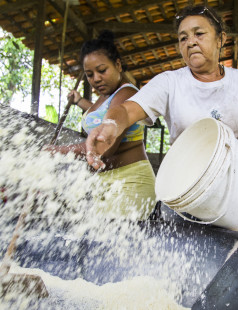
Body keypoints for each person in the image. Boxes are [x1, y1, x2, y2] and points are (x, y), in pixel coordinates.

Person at [84, 5, 238, 189]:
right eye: (183, 38)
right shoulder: (169, 82)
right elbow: (126, 110)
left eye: (199, 34)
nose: (191, 42)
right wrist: (111, 124)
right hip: (184, 185)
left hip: (234, 185)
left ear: (221, 39)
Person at [44, 30, 156, 220]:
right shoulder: (104, 97)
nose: (95, 79)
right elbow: (99, 116)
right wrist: (79, 101)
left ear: (118, 65)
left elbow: (105, 147)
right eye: (89, 74)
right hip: (104, 184)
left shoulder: (127, 93)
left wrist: (57, 151)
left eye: (102, 70)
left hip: (130, 182)